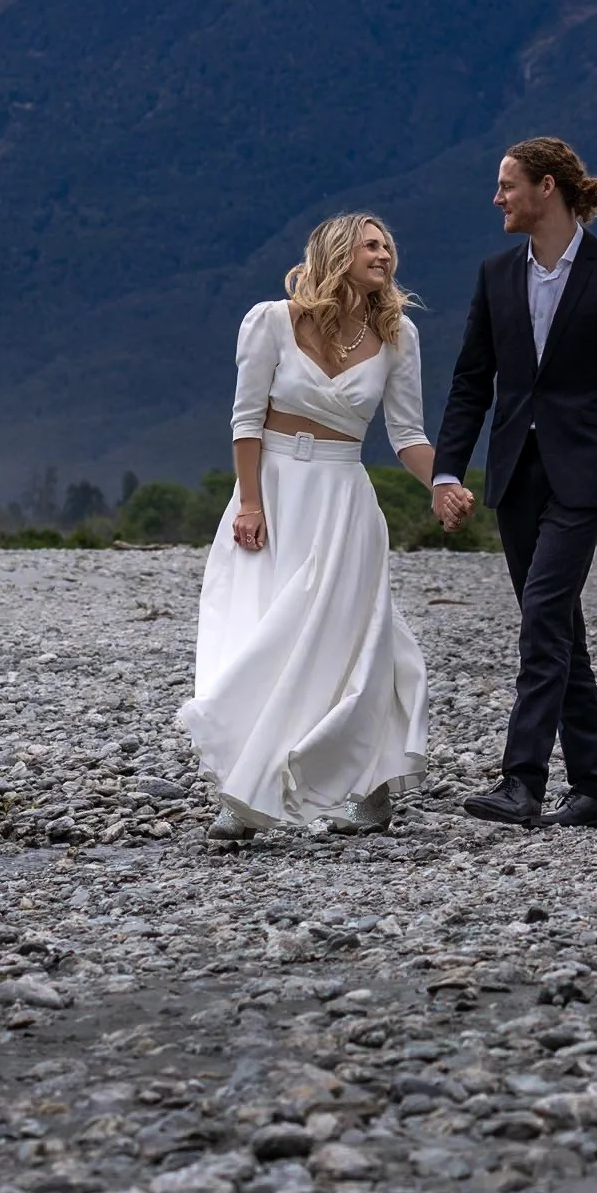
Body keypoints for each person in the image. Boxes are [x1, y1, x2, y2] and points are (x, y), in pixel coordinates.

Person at [431, 137, 597, 829]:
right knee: (561, 629)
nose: (497, 198)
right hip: (514, 473)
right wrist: (448, 467)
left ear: (546, 188)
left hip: (583, 473)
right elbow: (472, 381)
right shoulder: (494, 274)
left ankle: (521, 780)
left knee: (541, 617)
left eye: (507, 186)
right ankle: (596, 788)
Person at [179, 214, 436, 837]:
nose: (385, 254)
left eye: (389, 245)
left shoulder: (399, 337)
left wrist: (445, 485)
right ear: (339, 253)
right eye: (372, 245)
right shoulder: (270, 320)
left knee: (357, 638)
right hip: (269, 493)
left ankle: (370, 781)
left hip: (343, 499)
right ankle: (245, 792)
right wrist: (249, 503)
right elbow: (246, 419)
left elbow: (405, 435)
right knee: (264, 638)